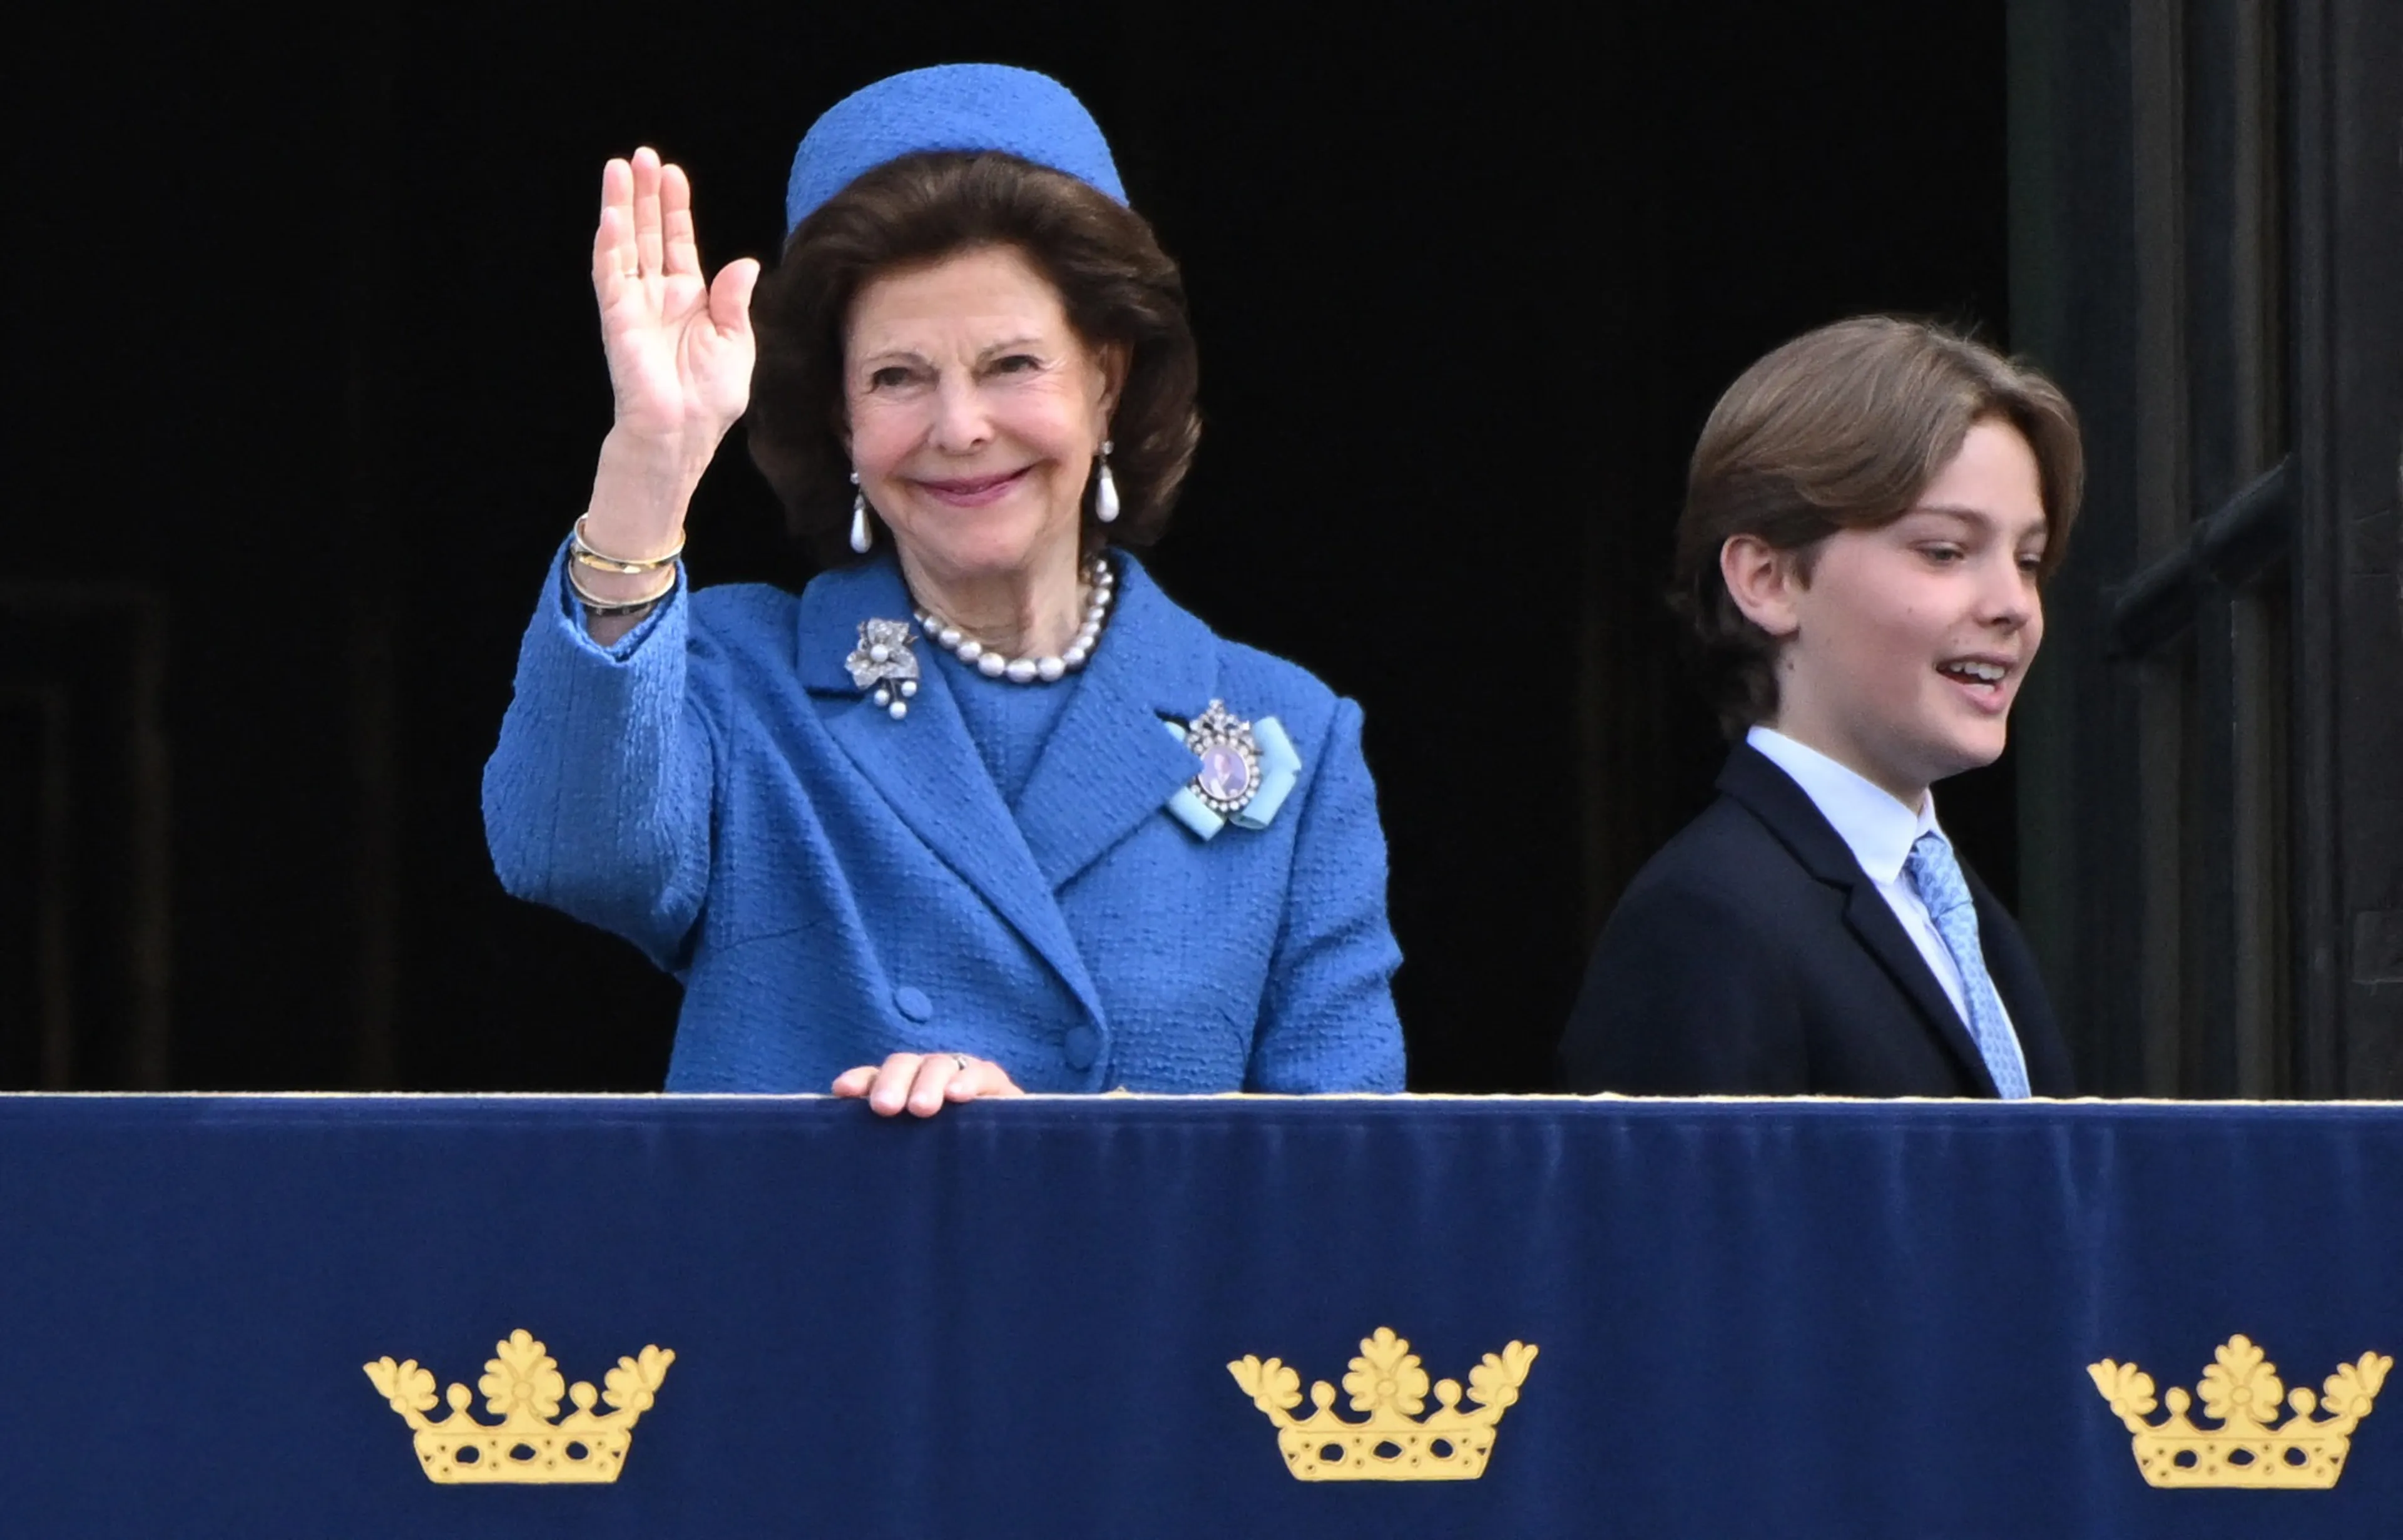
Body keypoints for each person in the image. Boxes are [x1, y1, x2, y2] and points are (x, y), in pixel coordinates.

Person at [482, 64, 1406, 1113]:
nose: (960, 428)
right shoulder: (739, 683)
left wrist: (1059, 1161)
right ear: (840, 417)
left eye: (1013, 364)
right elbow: (563, 851)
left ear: (1107, 378)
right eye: (897, 377)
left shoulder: (1293, 737)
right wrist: (652, 459)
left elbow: (1350, 1176)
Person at [1556, 317, 2081, 1098]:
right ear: (1766, 580)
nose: (2014, 603)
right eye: (1944, 550)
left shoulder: (1961, 913)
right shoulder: (1705, 922)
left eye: (2029, 559)